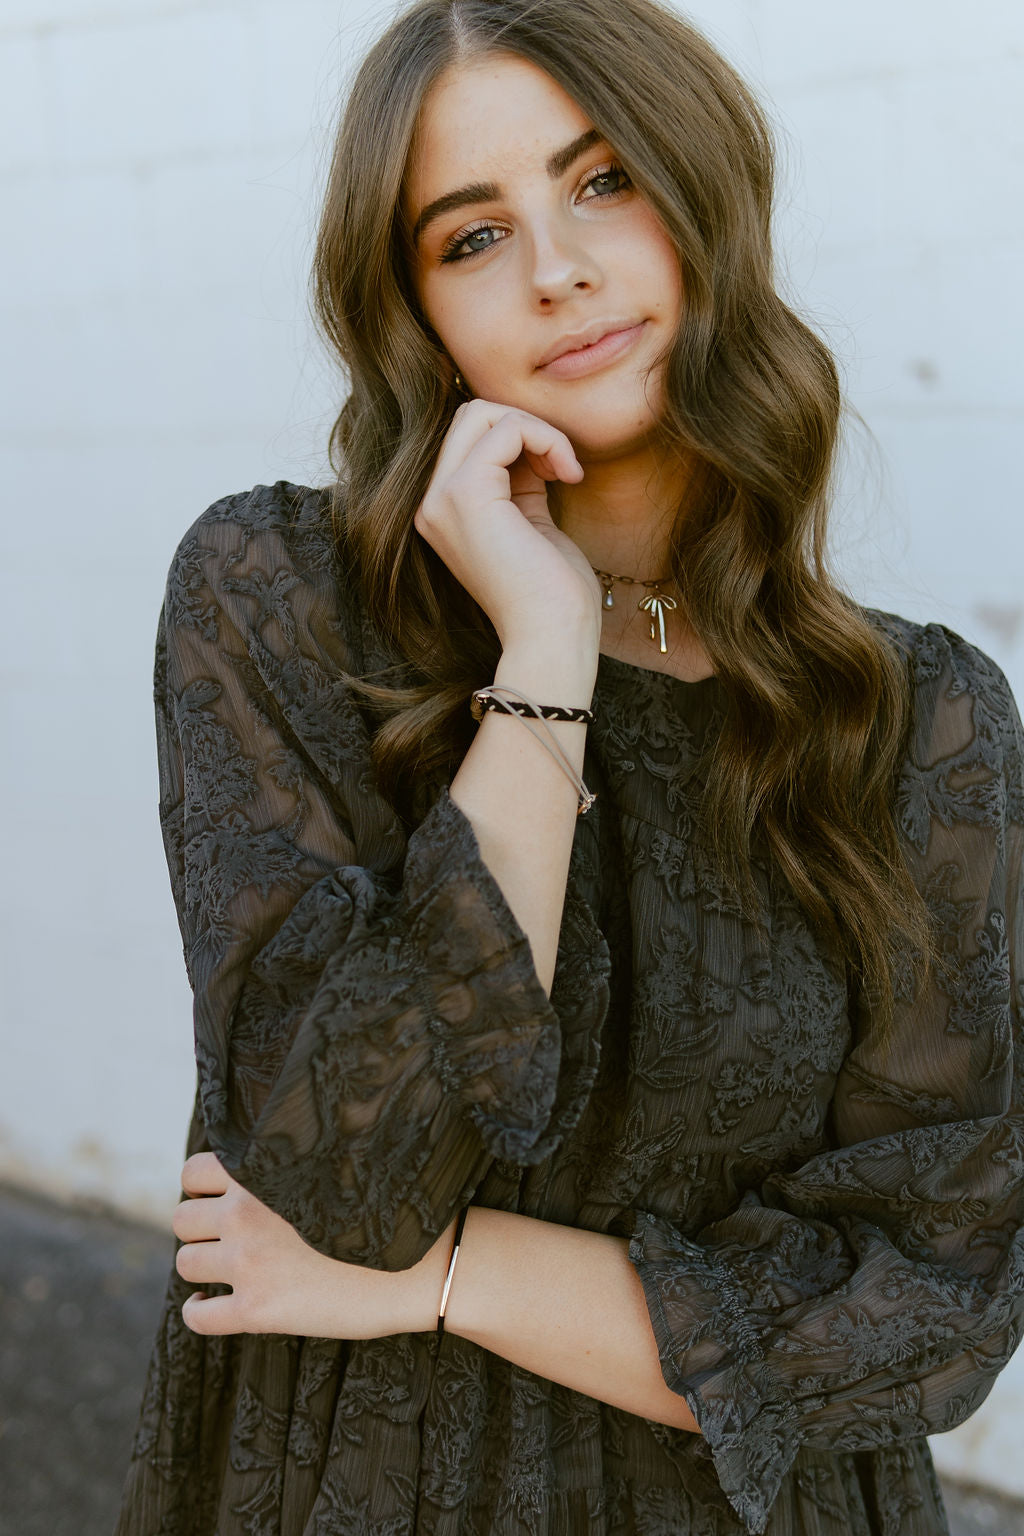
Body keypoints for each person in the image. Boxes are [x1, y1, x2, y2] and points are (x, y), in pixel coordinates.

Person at [115, 0, 1024, 1532]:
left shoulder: (914, 718)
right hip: (365, 1487)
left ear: (704, 195)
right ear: (414, 310)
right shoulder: (275, 594)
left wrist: (453, 1277)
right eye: (470, 238)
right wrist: (543, 659)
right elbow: (350, 1172)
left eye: (605, 182)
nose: (558, 270)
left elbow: (936, 1295)